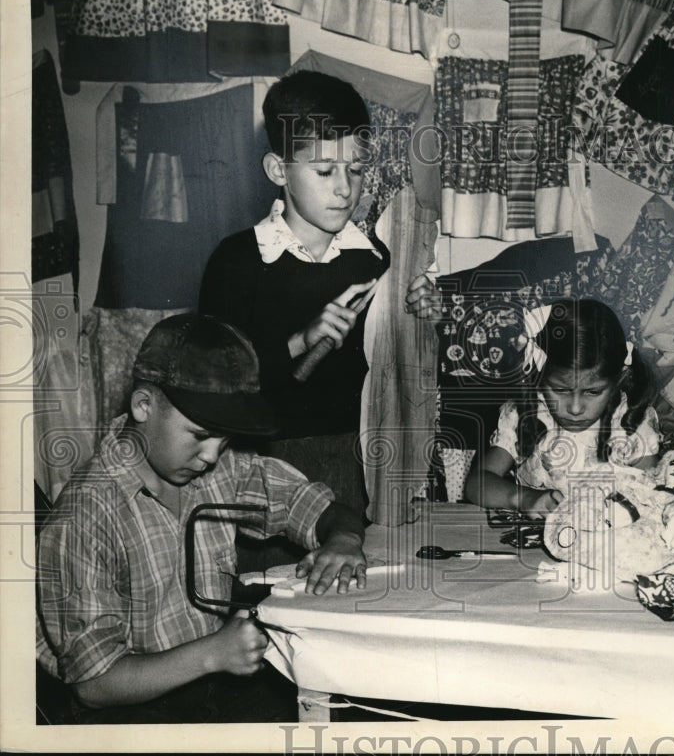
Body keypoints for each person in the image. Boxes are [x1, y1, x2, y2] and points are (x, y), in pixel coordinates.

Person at [36, 314, 368, 723]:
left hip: (213, 683)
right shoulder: (84, 516)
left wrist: (343, 541)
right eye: (199, 435)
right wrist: (213, 653)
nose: (212, 455)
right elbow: (92, 685)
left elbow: (321, 508)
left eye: (224, 438)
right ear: (144, 405)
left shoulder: (219, 469)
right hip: (128, 712)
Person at [199, 70, 437, 519]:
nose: (345, 188)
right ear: (277, 170)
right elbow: (215, 384)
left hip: (361, 461)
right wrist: (299, 342)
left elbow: (400, 379)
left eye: (356, 169)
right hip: (264, 469)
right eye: (325, 171)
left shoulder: (374, 262)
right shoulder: (237, 262)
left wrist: (421, 317)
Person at [464, 298, 661, 517]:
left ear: (620, 378)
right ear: (539, 377)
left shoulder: (632, 423)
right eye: (561, 390)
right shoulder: (526, 414)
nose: (575, 408)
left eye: (593, 392)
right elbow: (476, 484)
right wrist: (524, 498)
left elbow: (652, 500)